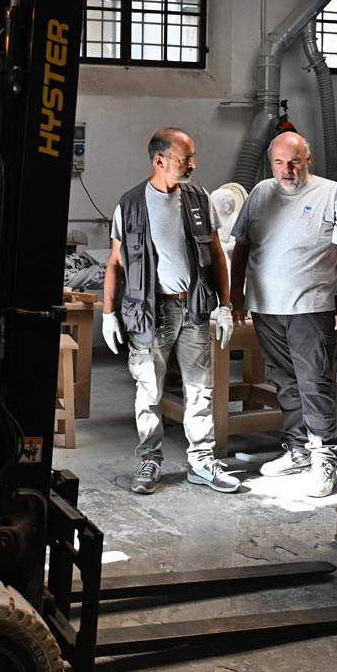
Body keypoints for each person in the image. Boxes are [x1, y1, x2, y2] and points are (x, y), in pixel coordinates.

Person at [101, 128, 240, 496]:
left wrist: (226, 306)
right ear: (160, 160)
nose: (192, 164)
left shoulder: (200, 198)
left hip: (194, 307)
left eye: (192, 157)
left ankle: (202, 462)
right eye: (184, 158)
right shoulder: (130, 204)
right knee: (149, 390)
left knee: (200, 390)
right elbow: (114, 262)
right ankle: (150, 459)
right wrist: (108, 313)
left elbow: (216, 255)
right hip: (151, 312)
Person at [229, 132, 337, 497]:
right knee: (284, 382)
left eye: (294, 162)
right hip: (266, 307)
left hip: (311, 308)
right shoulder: (260, 193)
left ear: (308, 161)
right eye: (279, 162)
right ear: (270, 163)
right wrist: (236, 295)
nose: (287, 169)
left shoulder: (331, 193)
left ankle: (324, 457)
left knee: (314, 383)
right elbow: (242, 246)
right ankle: (298, 449)